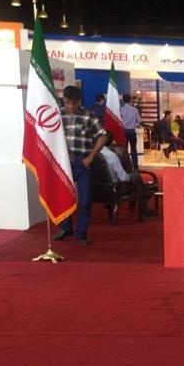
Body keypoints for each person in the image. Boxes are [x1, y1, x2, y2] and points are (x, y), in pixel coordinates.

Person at [53, 85, 108, 246]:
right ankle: (65, 228)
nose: (70, 106)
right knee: (62, 197)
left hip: (83, 164)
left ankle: (81, 233)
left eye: (74, 103)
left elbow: (103, 136)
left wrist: (91, 156)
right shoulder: (58, 115)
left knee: (85, 200)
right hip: (63, 164)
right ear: (64, 100)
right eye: (67, 102)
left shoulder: (89, 116)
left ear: (80, 101)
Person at [119, 94, 141, 169]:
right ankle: (135, 166)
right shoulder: (135, 110)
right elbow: (139, 121)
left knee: (124, 150)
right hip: (132, 131)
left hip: (123, 132)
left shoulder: (121, 109)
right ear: (130, 100)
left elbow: (119, 120)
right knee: (133, 149)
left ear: (123, 100)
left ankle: (125, 166)